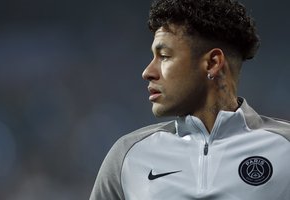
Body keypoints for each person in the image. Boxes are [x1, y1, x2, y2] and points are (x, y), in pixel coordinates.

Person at [89, 0, 290, 199]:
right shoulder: (127, 156)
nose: (148, 72)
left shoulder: (285, 147)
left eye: (164, 56)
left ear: (213, 63)